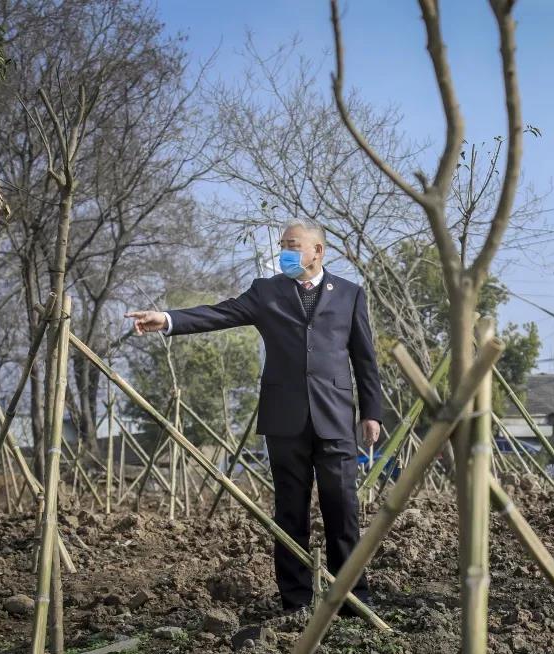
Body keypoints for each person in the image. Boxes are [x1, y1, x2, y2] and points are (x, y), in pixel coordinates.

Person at [125, 218, 382, 613]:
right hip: (285, 419)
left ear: (318, 251)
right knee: (290, 512)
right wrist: (169, 320)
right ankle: (295, 601)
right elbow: (220, 314)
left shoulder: (349, 294)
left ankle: (352, 599)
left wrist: (371, 412)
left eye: (293, 245)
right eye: (283, 245)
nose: (286, 252)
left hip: (335, 417)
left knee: (343, 510)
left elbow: (365, 358)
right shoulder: (267, 292)